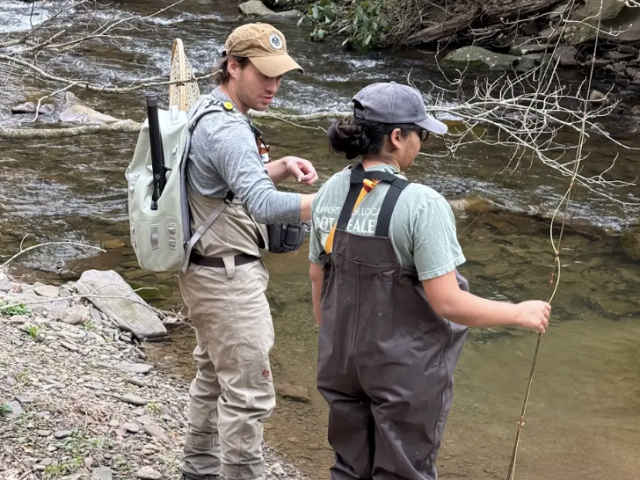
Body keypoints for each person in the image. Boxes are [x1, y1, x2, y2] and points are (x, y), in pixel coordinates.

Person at [308, 82, 551, 480]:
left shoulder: (329, 192)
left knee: (350, 468)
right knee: (403, 472)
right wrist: (518, 312)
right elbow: (448, 303)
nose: (422, 142)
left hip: (339, 364)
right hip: (401, 373)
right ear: (397, 137)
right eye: (420, 133)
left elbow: (319, 280)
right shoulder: (423, 204)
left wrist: (336, 342)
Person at [179, 23, 318, 480]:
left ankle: (197, 470)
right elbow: (261, 204)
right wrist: (332, 204)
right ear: (233, 66)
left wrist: (277, 166)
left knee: (213, 377)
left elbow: (229, 183)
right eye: (264, 75)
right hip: (227, 280)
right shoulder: (229, 129)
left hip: (205, 271)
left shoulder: (208, 107)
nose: (274, 86)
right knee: (249, 395)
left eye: (280, 76)